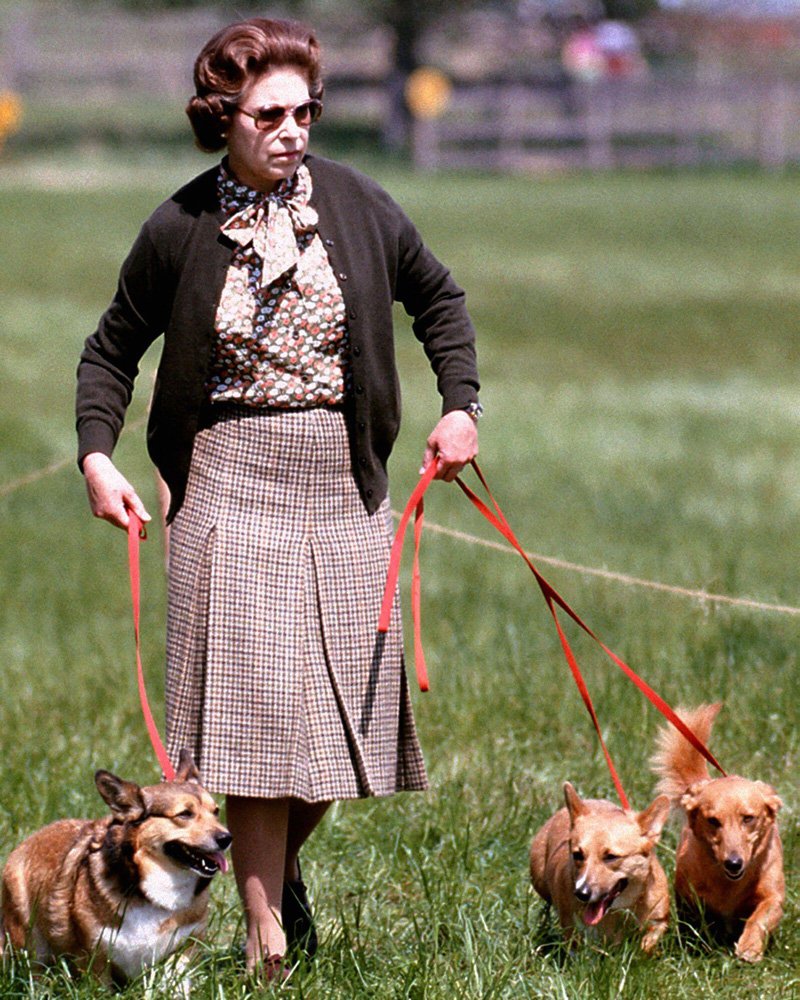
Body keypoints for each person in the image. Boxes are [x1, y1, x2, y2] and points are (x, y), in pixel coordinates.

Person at [75, 16, 480, 979]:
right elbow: (110, 352)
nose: (292, 129)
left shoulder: (360, 204)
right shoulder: (178, 228)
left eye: (306, 111)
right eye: (269, 114)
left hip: (344, 480)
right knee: (258, 724)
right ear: (225, 118)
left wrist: (461, 407)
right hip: (227, 482)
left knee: (337, 729)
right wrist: (99, 458)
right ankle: (268, 947)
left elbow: (440, 300)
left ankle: (271, 873)